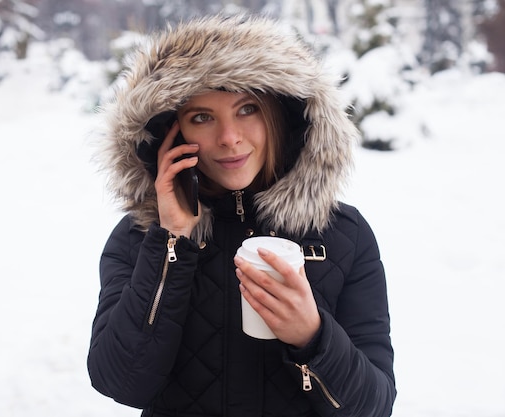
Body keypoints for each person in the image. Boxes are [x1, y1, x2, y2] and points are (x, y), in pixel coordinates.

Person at [87, 14, 396, 417]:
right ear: (172, 136)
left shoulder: (343, 235)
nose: (229, 138)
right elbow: (120, 382)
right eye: (202, 117)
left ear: (280, 114)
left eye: (247, 109)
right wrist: (171, 240)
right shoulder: (139, 236)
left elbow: (373, 407)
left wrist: (312, 337)